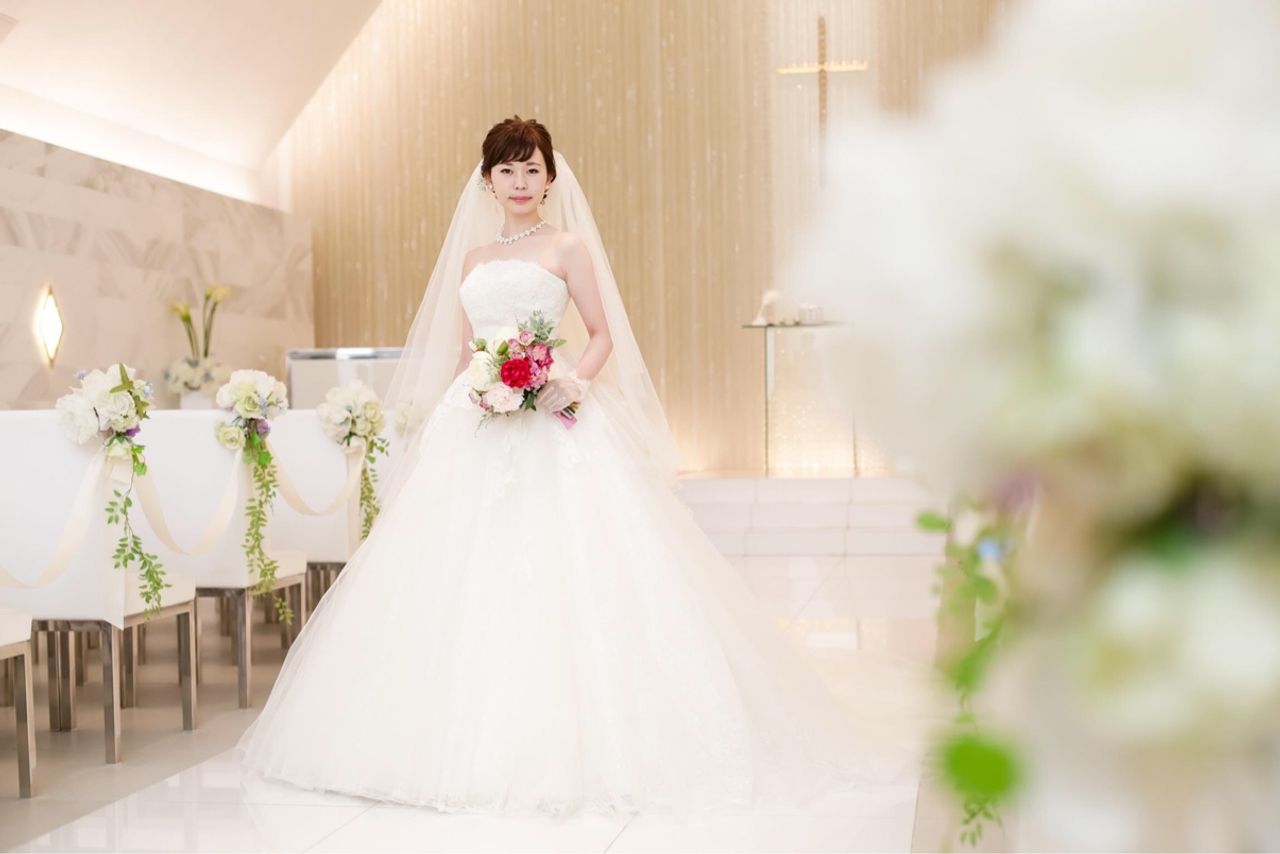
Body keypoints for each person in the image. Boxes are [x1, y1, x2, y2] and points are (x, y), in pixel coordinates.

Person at [236, 116, 905, 817]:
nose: (520, 181)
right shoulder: (472, 260)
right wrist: (455, 411)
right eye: (507, 170)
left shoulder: (567, 247)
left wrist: (571, 382)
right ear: (487, 180)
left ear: (550, 178)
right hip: (476, 418)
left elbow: (603, 332)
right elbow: (467, 353)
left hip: (552, 413)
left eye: (532, 169)